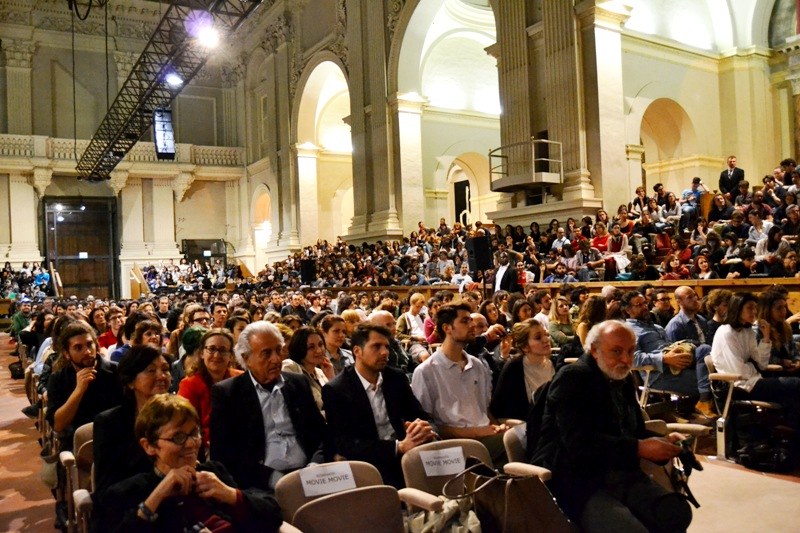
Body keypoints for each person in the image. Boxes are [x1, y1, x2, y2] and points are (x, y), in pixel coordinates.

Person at [532, 321, 692, 532]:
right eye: (616, 351)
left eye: (631, 351)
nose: (626, 359)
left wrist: (664, 441)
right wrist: (640, 448)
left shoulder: (621, 377)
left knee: (676, 512)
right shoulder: (573, 378)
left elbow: (634, 431)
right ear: (594, 351)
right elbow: (578, 444)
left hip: (618, 471)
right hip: (575, 478)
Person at [100, 394, 282, 532]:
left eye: (194, 433)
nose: (191, 443)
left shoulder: (213, 472)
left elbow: (274, 516)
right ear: (149, 446)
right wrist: (156, 498)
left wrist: (231, 495)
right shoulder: (131, 491)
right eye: (178, 437)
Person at [210, 321, 326, 491]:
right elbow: (225, 456)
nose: (276, 359)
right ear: (246, 358)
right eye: (266, 353)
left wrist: (315, 465)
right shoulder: (228, 393)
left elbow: (321, 434)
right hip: (261, 485)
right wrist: (274, 479)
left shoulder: (297, 383)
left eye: (279, 350)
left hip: (310, 475)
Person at [322, 323, 435, 488]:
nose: (385, 352)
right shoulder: (337, 389)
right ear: (357, 352)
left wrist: (424, 429)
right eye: (376, 346)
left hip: (409, 453)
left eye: (387, 347)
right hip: (369, 464)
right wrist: (398, 447)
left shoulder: (395, 378)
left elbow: (421, 416)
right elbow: (344, 443)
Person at [411, 303, 510, 465]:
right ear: (447, 328)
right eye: (464, 321)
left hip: (485, 436)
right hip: (455, 446)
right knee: (519, 443)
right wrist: (476, 432)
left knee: (521, 436)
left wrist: (497, 427)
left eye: (471, 320)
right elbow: (430, 426)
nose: (472, 325)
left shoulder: (477, 365)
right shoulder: (425, 372)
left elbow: (484, 411)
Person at [711, 292, 800, 431]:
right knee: (795, 385)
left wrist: (765, 337)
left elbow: (762, 364)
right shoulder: (726, 332)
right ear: (738, 308)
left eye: (755, 308)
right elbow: (738, 372)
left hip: (754, 381)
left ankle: (789, 437)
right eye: (750, 308)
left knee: (792, 395)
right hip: (737, 387)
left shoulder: (747, 332)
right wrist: (751, 366)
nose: (754, 312)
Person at [94, 345, 171, 497]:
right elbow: (106, 491)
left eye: (165, 369)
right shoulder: (110, 423)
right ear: (130, 382)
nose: (162, 376)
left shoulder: (182, 414)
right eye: (151, 370)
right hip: (132, 504)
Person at [622, 291, 708, 415]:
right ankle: (706, 404)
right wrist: (664, 358)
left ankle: (703, 403)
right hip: (658, 375)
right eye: (639, 305)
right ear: (628, 310)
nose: (645, 307)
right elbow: (633, 358)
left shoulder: (658, 327)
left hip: (676, 367)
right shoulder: (628, 330)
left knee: (704, 350)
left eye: (645, 303)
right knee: (711, 384)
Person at [46, 321, 123, 446]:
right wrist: (79, 390)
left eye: (89, 344)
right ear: (66, 353)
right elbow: (58, 425)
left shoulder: (116, 371)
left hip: (116, 440)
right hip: (77, 445)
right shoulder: (58, 379)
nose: (87, 351)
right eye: (78, 348)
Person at [178, 329, 243, 449]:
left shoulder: (241, 379)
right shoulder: (189, 384)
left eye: (223, 350)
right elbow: (186, 425)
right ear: (202, 353)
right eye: (212, 349)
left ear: (231, 356)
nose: (217, 355)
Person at [490, 319, 554, 421]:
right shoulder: (514, 367)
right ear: (525, 347)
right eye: (538, 337)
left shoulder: (555, 364)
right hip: (525, 425)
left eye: (546, 334)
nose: (546, 339)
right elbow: (498, 409)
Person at [282, 326, 333, 412]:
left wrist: (331, 378)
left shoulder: (320, 372)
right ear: (299, 348)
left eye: (321, 344)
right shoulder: (290, 366)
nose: (319, 350)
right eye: (311, 347)